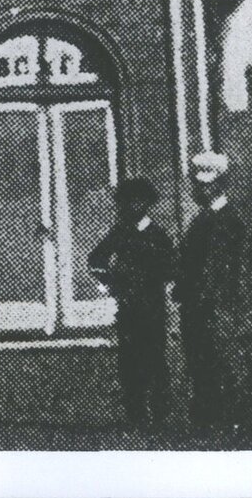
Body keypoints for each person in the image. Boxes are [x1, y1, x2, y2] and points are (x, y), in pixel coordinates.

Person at [176, 151, 252, 447]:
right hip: (197, 306)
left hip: (216, 307)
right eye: (198, 185)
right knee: (201, 363)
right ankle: (208, 422)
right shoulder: (203, 219)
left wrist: (207, 300)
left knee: (222, 363)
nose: (201, 190)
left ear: (222, 184)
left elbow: (220, 270)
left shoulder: (228, 221)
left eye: (208, 184)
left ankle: (230, 424)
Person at [87, 176, 174, 430]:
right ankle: (135, 412)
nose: (132, 207)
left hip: (153, 307)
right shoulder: (120, 232)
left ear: (148, 203)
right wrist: (111, 284)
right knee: (129, 360)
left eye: (139, 201)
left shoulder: (158, 235)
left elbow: (171, 267)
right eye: (126, 202)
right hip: (128, 307)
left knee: (156, 358)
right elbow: (96, 259)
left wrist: (156, 280)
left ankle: (160, 412)